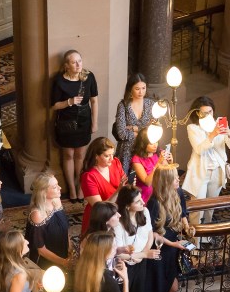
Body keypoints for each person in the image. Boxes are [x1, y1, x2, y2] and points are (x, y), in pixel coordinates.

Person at [145, 166, 193, 292]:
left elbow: (183, 213)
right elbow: (150, 233)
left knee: (173, 287)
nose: (178, 179)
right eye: (174, 178)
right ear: (165, 181)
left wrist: (187, 227)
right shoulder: (154, 202)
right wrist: (173, 244)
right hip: (158, 247)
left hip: (173, 246)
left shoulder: (178, 192)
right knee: (154, 282)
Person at [51, 50, 100, 201]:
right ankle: (71, 189)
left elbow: (94, 101)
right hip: (66, 123)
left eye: (80, 61)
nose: (78, 65)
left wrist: (94, 123)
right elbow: (54, 106)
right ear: (66, 65)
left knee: (80, 156)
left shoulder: (89, 77)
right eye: (74, 62)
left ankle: (80, 187)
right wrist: (69, 102)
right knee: (68, 156)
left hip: (84, 121)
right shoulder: (59, 81)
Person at [114, 186, 159, 292]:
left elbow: (150, 235)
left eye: (141, 199)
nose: (143, 203)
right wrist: (144, 255)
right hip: (123, 265)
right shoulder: (118, 223)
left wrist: (143, 254)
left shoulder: (144, 212)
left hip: (141, 261)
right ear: (127, 206)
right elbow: (119, 254)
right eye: (138, 201)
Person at [182, 96, 230, 226]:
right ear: (197, 113)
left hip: (217, 170)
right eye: (204, 113)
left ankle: (207, 234)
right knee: (198, 208)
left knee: (211, 207)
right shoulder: (193, 128)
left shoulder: (219, 123)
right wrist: (212, 135)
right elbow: (199, 149)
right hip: (200, 171)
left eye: (210, 111)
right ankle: (195, 236)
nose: (208, 115)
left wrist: (229, 134)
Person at [26, 170, 70, 272]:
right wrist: (63, 262)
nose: (60, 188)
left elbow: (64, 227)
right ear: (43, 192)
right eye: (54, 187)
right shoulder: (37, 214)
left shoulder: (56, 201)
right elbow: (41, 250)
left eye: (58, 184)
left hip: (62, 251)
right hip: (46, 262)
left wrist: (69, 247)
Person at [79, 136, 125, 234]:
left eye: (112, 154)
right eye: (107, 156)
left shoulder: (116, 163)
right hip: (99, 220)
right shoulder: (89, 177)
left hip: (117, 213)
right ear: (96, 156)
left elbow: (124, 181)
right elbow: (100, 209)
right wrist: (118, 191)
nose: (111, 159)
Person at [112, 73, 154, 170]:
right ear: (130, 89)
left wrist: (134, 128)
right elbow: (121, 133)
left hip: (144, 149)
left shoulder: (151, 104)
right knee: (125, 177)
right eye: (137, 89)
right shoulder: (123, 105)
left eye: (143, 88)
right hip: (126, 151)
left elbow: (154, 130)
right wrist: (143, 131)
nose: (141, 92)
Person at [129, 128, 166, 205]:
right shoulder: (136, 159)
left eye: (156, 142)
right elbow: (148, 183)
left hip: (160, 191)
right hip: (147, 196)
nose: (155, 145)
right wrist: (158, 163)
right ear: (143, 144)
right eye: (151, 143)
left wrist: (170, 162)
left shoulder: (158, 153)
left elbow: (167, 173)